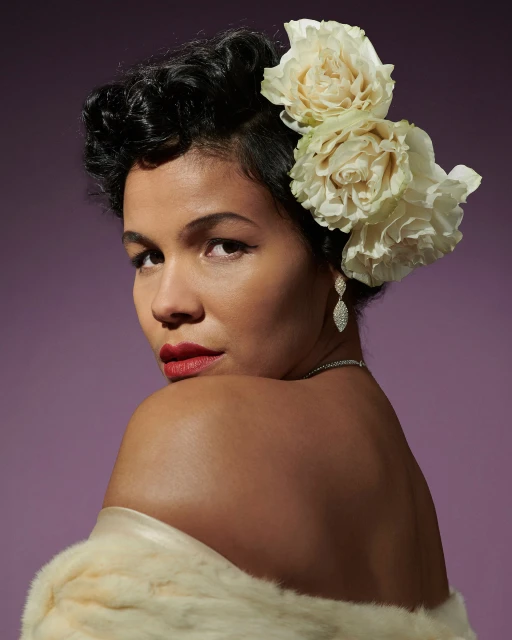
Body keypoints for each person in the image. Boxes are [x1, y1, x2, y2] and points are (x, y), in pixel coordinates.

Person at [19, 19, 481, 639]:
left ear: (333, 253)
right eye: (147, 257)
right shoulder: (398, 480)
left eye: (224, 245)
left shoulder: (195, 429)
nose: (167, 304)